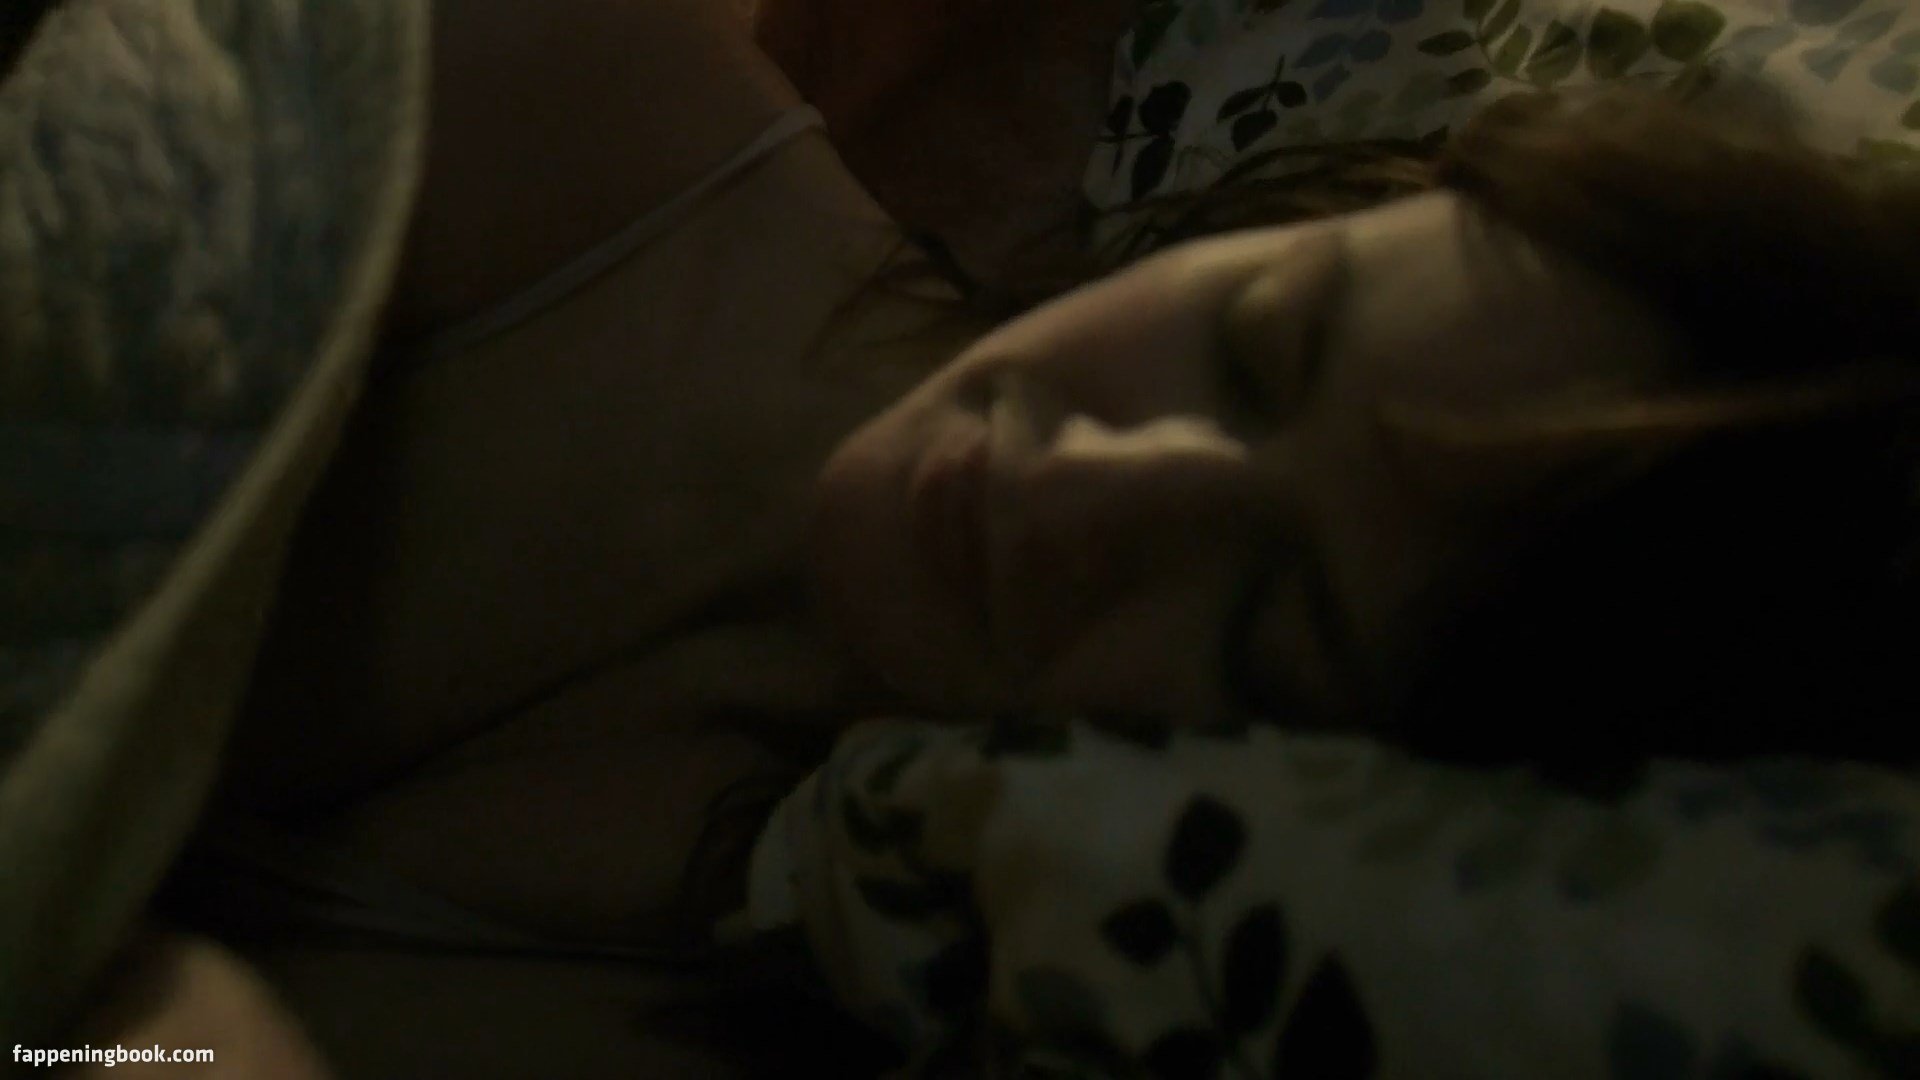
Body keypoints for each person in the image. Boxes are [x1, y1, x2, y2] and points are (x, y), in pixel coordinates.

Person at [21, 0, 1914, 1072]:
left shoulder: (725, 1008)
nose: (1102, 487)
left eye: (1270, 619)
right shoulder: (566, 97)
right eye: (1257, 345)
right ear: (1292, 214)